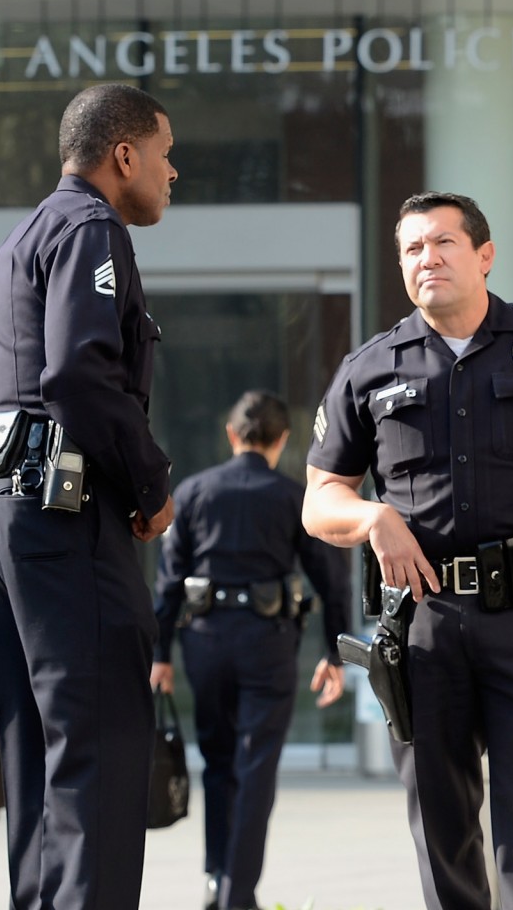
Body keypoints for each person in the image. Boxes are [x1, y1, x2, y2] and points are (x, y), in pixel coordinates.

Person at [0, 82, 177, 910]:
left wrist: (9, 462)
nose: (172, 173)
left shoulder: (15, 246)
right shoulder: (91, 229)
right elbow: (77, 375)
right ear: (124, 155)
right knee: (100, 743)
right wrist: (149, 483)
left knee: (36, 746)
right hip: (63, 516)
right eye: (165, 154)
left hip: (1, 516)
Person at [304, 192, 513, 910]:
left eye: (443, 243)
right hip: (423, 626)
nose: (426, 259)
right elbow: (319, 499)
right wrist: (372, 518)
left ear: (484, 255)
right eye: (411, 249)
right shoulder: (370, 368)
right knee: (441, 835)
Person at [149, 390, 353, 910]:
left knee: (218, 762)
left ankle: (217, 878)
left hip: (206, 642)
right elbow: (331, 580)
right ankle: (237, 894)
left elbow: (168, 583)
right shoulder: (292, 497)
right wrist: (334, 651)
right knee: (256, 767)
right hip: (268, 643)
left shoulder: (194, 492)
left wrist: (160, 654)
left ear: (231, 434)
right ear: (283, 440)